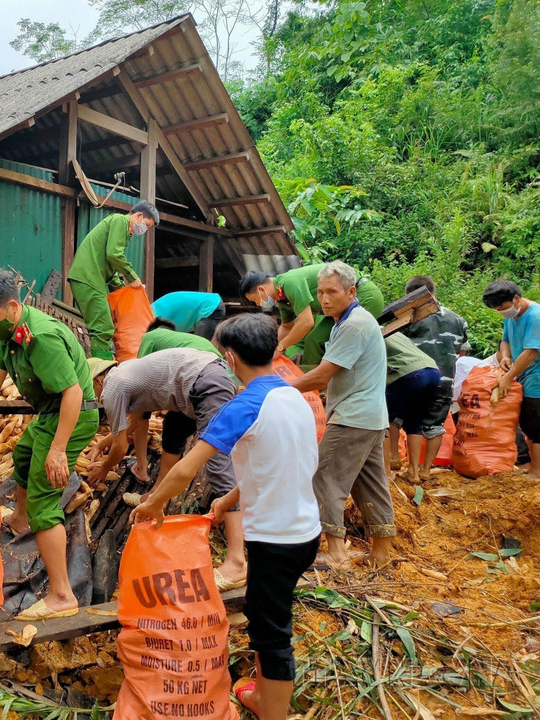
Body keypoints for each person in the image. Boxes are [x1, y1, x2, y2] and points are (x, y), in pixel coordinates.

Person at [132, 313, 320, 720]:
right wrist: (232, 496)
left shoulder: (244, 405)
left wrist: (154, 502)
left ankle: (272, 712)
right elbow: (277, 462)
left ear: (230, 359)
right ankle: (263, 693)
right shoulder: (294, 396)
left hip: (275, 539)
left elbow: (185, 469)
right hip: (306, 531)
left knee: (272, 632)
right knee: (267, 612)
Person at [0, 270, 99, 620]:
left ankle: (62, 595)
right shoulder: (7, 334)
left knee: (44, 497)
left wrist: (58, 450)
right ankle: (20, 519)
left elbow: (73, 394)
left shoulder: (41, 337)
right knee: (24, 454)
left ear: (13, 307)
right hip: (49, 414)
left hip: (72, 415)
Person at [88, 347, 245, 589]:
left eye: (92, 389)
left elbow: (121, 448)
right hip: (199, 383)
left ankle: (237, 560)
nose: (96, 397)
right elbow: (134, 424)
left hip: (205, 383)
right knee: (173, 430)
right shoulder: (127, 374)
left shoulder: (112, 387)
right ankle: (156, 497)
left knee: (217, 464)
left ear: (99, 379)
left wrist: (103, 468)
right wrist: (104, 442)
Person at [289, 261, 394, 568]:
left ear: (351, 292)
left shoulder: (353, 325)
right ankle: (381, 554)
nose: (324, 299)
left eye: (332, 292)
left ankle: (336, 553)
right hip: (371, 417)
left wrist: (279, 388)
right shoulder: (345, 322)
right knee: (371, 483)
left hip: (353, 416)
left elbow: (323, 376)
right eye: (320, 292)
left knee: (323, 477)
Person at [240, 263, 385, 365]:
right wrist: (269, 349)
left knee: (317, 341)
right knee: (315, 340)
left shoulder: (289, 282)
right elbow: (287, 327)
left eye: (254, 300)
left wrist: (281, 347)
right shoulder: (282, 297)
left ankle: (312, 385)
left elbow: (306, 322)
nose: (258, 304)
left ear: (261, 290)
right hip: (340, 308)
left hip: (364, 296)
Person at [67, 202, 158, 360]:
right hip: (88, 278)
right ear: (139, 215)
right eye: (147, 225)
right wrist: (132, 277)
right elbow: (114, 254)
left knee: (102, 326)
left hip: (89, 278)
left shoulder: (121, 228)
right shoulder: (120, 221)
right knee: (103, 328)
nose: (145, 230)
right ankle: (101, 370)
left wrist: (122, 289)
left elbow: (110, 268)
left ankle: (101, 364)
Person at [483, 279, 540, 480]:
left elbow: (531, 352)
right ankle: (534, 469)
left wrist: (508, 378)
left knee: (539, 427)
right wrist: (505, 357)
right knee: (528, 426)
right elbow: (505, 340)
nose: (501, 312)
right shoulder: (511, 316)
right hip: (524, 376)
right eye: (497, 309)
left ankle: (539, 472)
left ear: (516, 298)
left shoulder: (537, 316)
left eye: (502, 307)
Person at [401, 275, 469, 477]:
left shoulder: (408, 318)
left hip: (415, 377)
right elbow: (462, 352)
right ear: (433, 292)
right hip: (444, 381)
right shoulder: (457, 319)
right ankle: (426, 470)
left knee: (413, 424)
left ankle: (412, 469)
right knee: (435, 426)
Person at [383, 333, 442, 482]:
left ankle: (386, 472)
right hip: (432, 371)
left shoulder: (365, 331)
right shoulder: (396, 332)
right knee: (415, 423)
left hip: (409, 373)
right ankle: (413, 472)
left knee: (381, 420)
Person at [150, 291, 225, 338]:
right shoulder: (153, 310)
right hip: (208, 306)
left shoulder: (153, 316)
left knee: (199, 347)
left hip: (209, 307)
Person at [137, 317, 221, 359]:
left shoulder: (150, 336)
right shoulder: (179, 339)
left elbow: (140, 367)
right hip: (216, 357)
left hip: (196, 358)